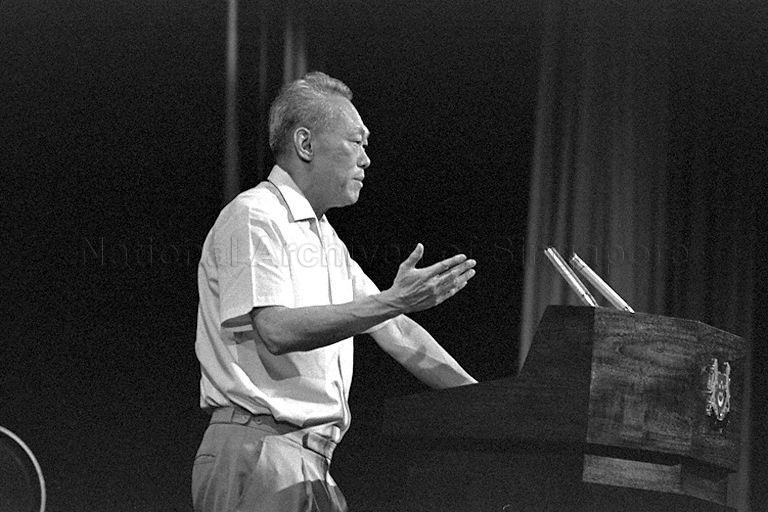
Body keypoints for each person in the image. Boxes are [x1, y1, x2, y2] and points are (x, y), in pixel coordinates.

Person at [192, 71, 477, 512]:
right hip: (262, 448)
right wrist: (393, 299)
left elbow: (397, 331)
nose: (366, 159)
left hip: (312, 462)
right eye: (356, 142)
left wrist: (484, 402)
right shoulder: (256, 216)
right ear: (305, 145)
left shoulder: (325, 240)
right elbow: (274, 329)